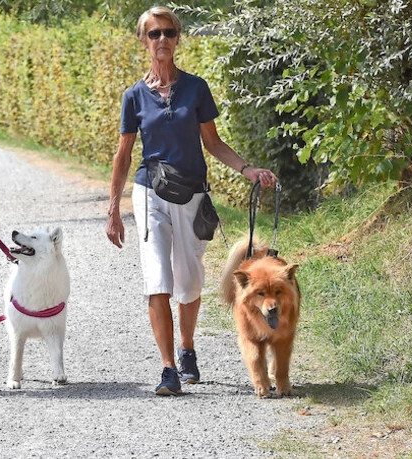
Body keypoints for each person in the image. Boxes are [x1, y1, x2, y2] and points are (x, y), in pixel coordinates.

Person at [105, 6, 278, 396]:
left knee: (188, 278)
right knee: (157, 279)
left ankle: (186, 349)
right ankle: (168, 368)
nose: (162, 40)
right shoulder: (134, 96)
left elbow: (212, 143)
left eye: (168, 32)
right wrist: (114, 207)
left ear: (178, 38)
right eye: (154, 34)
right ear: (143, 40)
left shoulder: (196, 88)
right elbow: (123, 154)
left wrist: (248, 169)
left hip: (192, 194)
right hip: (150, 192)